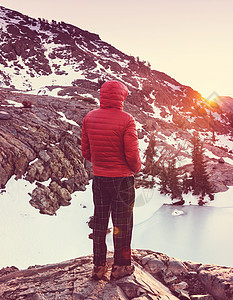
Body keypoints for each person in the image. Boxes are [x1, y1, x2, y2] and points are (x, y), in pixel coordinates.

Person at [81, 80, 141, 280]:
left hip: (99, 179)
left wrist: (102, 164)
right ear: (121, 97)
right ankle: (121, 266)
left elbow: (86, 152)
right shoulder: (127, 120)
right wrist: (135, 169)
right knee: (122, 223)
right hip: (122, 180)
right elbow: (132, 155)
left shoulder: (89, 118)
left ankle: (98, 267)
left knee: (99, 222)